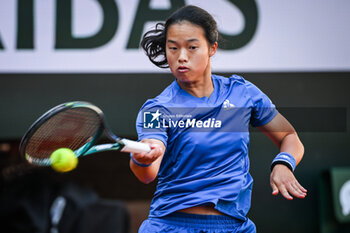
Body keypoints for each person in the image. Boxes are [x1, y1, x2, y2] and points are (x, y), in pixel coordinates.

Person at [129, 5, 307, 233]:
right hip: (171, 226)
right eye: (172, 48)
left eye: (192, 47)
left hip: (234, 227)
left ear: (212, 48)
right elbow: (147, 173)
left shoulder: (242, 94)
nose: (181, 57)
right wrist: (144, 159)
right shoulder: (157, 109)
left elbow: (290, 137)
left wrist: (283, 163)